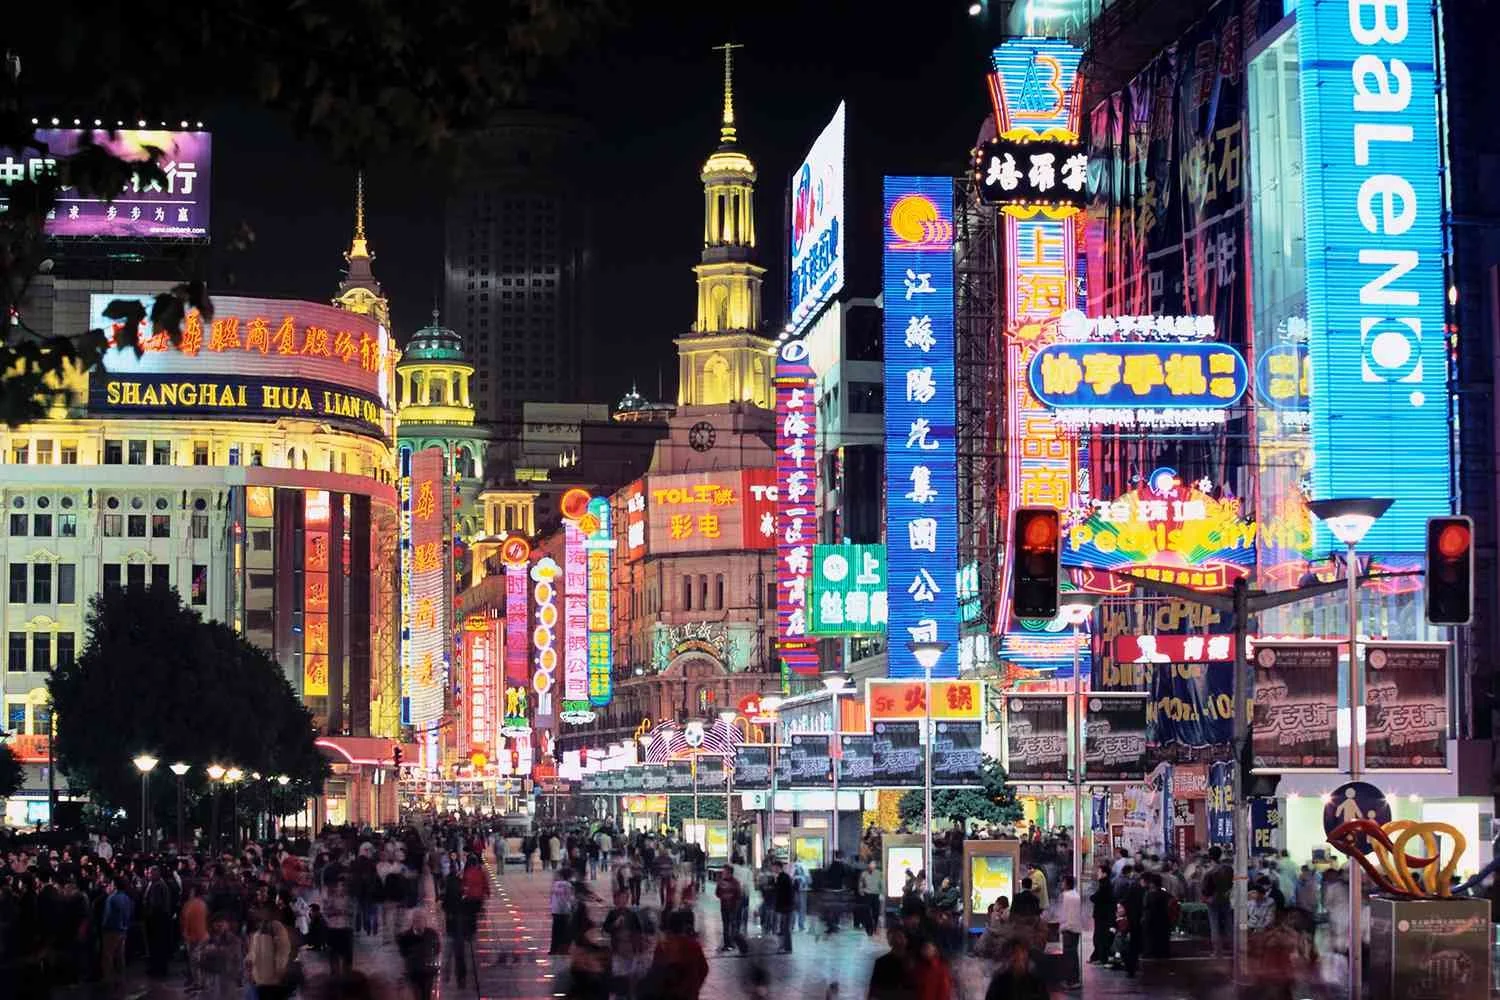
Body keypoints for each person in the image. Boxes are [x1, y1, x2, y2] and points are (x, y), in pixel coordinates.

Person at [640, 908, 708, 1000]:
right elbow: (704, 969)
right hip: (689, 994)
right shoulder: (694, 946)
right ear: (684, 926)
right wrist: (695, 985)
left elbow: (656, 970)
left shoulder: (663, 946)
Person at [246, 908, 293, 1000]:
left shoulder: (276, 926)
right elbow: (253, 951)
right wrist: (249, 963)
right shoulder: (257, 930)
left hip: (272, 978)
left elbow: (283, 949)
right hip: (260, 978)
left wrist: (280, 968)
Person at [983, 936, 1050, 1000]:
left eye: (1018, 952)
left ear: (1026, 955)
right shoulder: (998, 983)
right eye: (1013, 953)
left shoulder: (1036, 984)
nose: (1016, 957)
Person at [397, 908, 441, 1000]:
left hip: (428, 972)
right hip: (413, 972)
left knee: (427, 996)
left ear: (425, 921)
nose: (419, 921)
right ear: (412, 921)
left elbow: (437, 949)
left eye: (421, 919)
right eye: (416, 919)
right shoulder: (405, 936)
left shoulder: (432, 934)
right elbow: (403, 953)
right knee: (417, 996)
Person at [199, 912, 243, 1000]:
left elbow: (236, 956)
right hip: (211, 977)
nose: (219, 924)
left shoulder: (233, 939)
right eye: (216, 922)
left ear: (227, 924)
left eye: (222, 922)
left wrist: (238, 975)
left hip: (228, 977)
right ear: (212, 924)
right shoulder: (207, 940)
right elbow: (200, 957)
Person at [100, 876, 134, 989]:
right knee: (120, 956)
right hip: (123, 930)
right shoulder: (126, 898)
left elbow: (108, 916)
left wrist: (103, 926)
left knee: (108, 956)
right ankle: (121, 979)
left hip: (111, 930)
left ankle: (108, 980)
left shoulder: (112, 898)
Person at [1201, 846, 1234, 959]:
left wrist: (1206, 898)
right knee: (1229, 924)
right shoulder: (1229, 868)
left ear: (1210, 856)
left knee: (1214, 925)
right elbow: (1231, 884)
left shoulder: (1208, 871)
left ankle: (1217, 951)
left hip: (1212, 900)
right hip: (1225, 898)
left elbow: (1205, 888)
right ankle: (1233, 949)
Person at [867, 925, 912, 1000]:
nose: (897, 940)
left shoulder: (913, 961)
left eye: (900, 937)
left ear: (906, 940)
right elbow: (874, 989)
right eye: (893, 937)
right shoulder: (881, 962)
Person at [180, 883, 210, 990]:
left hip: (194, 937)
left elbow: (183, 921)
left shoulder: (189, 905)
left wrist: (184, 934)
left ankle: (199, 982)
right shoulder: (202, 904)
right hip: (200, 936)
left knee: (195, 961)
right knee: (198, 961)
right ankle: (201, 982)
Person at [325, 877, 356, 978]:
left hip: (346, 928)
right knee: (333, 953)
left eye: (344, 886)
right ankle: (334, 974)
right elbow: (326, 912)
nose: (342, 888)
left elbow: (353, 912)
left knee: (347, 954)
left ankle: (347, 975)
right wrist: (336, 912)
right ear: (336, 887)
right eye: (340, 886)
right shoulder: (330, 899)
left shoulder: (350, 899)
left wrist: (346, 912)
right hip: (333, 928)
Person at [1058, 874, 1083, 990]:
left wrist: (1061, 927)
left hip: (1068, 928)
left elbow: (1063, 913)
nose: (1062, 884)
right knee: (1073, 955)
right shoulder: (1077, 895)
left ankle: (1070, 981)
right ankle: (1075, 979)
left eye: (1063, 882)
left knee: (1068, 956)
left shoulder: (1065, 896)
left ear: (1066, 883)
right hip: (1076, 929)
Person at [1089, 863, 1115, 964]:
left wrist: (1093, 897)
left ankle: (1101, 957)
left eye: (1099, 872)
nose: (1097, 874)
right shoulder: (1103, 884)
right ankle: (1097, 956)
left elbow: (1097, 897)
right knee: (1098, 936)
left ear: (1105, 874)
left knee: (1100, 937)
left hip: (1103, 915)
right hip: (1101, 914)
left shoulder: (1105, 885)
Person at [715, 867, 745, 953]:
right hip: (724, 907)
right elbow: (717, 892)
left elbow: (739, 894)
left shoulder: (735, 882)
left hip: (733, 907)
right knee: (725, 926)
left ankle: (732, 943)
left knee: (732, 925)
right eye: (723, 872)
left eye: (725, 872)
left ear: (730, 873)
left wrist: (732, 898)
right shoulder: (721, 882)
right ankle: (726, 944)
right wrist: (722, 896)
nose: (723, 873)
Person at [550, 868, 577, 955]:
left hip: (555, 910)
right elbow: (571, 898)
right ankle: (563, 950)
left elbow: (552, 896)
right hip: (565, 911)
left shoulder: (555, 884)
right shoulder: (569, 885)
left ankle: (553, 949)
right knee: (565, 931)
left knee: (555, 931)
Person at [773, 860, 795, 953]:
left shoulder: (783, 877)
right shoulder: (782, 877)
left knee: (785, 928)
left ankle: (787, 948)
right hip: (785, 906)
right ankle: (783, 947)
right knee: (783, 927)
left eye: (774, 867)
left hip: (786, 907)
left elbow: (782, 893)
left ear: (778, 867)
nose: (773, 869)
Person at [858, 860, 882, 936]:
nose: (872, 866)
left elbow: (881, 883)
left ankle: (875, 926)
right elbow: (860, 883)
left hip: (876, 894)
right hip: (867, 894)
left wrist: (882, 893)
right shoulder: (864, 873)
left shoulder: (879, 873)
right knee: (867, 912)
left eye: (873, 864)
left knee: (876, 912)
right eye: (871, 864)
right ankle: (869, 929)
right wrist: (861, 891)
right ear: (868, 865)